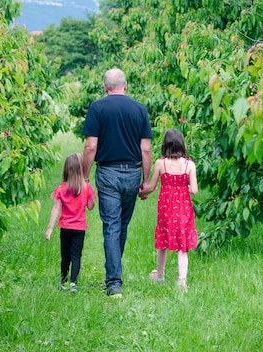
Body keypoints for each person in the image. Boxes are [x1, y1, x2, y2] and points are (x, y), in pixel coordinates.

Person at [82, 68, 153, 298]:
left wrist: (84, 177)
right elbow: (146, 148)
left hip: (108, 173)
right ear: (126, 85)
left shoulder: (97, 107)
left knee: (111, 226)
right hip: (132, 173)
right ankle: (114, 274)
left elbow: (91, 146)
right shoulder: (139, 109)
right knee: (121, 226)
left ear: (105, 87)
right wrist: (145, 182)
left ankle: (114, 282)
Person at [139, 128, 198, 290]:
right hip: (183, 208)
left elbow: (151, 187)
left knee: (163, 241)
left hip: (165, 208)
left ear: (165, 145)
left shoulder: (160, 163)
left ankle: (160, 275)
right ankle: (181, 281)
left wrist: (141, 193)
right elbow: (194, 190)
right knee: (182, 244)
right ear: (182, 145)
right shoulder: (189, 165)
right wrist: (182, 185)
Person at [45, 153, 96, 293]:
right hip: (79, 229)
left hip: (65, 228)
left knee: (65, 256)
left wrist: (49, 229)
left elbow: (56, 208)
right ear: (81, 169)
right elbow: (91, 207)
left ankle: (63, 281)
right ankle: (73, 283)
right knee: (76, 256)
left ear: (66, 170)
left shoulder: (62, 188)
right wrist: (90, 194)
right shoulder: (86, 188)